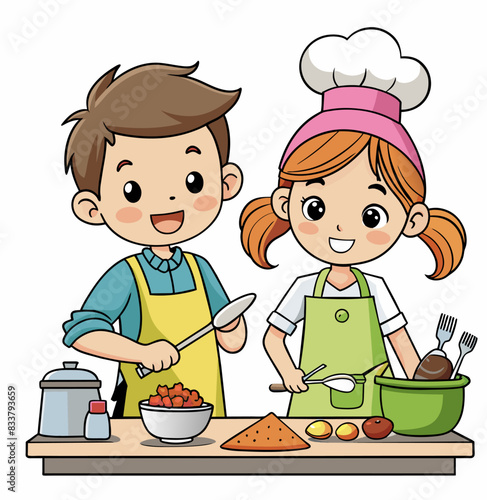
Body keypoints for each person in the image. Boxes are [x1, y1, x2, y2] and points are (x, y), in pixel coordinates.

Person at [240, 29, 466, 417]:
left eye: (370, 216)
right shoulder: (302, 288)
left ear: (411, 219)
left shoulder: (376, 290)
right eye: (316, 208)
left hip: (375, 410)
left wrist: (421, 391)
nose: (341, 229)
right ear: (285, 203)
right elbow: (274, 337)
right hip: (310, 405)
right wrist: (288, 371)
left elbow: (400, 344)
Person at [62, 63, 246, 417]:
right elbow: (82, 333)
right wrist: (141, 353)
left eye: (193, 182)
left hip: (208, 413)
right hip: (142, 416)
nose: (168, 202)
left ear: (226, 183)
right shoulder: (126, 275)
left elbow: (232, 342)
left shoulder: (201, 268)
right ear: (93, 208)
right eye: (133, 190)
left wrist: (233, 324)